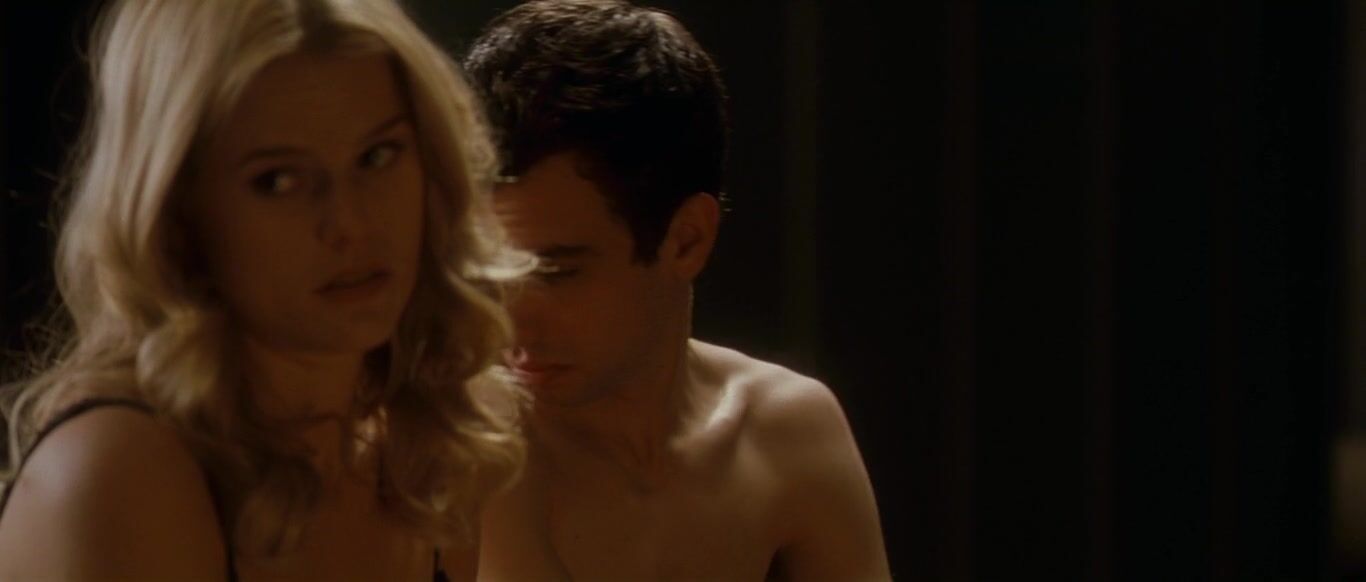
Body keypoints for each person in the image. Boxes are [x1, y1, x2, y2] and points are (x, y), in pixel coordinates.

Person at [0, 0, 525, 579]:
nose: (350, 224)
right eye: (278, 181)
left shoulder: (428, 449)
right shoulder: (123, 471)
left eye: (377, 157)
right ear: (178, 212)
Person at [463, 1, 892, 579]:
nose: (512, 321)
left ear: (687, 241)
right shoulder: (441, 448)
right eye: (492, 270)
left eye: (557, 272)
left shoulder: (782, 434)